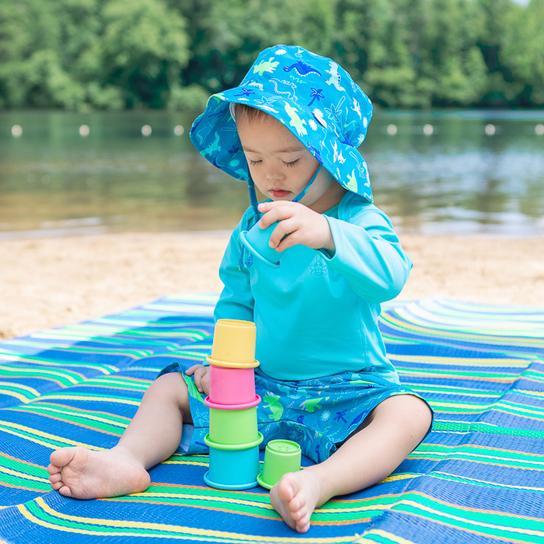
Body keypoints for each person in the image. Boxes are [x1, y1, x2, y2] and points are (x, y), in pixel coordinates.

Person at [47, 44, 434, 534]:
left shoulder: (358, 221)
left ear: (330, 154)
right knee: (170, 387)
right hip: (262, 389)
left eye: (291, 160)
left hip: (347, 392)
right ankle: (127, 459)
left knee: (407, 413)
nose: (271, 175)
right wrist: (226, 370)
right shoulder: (250, 230)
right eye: (254, 159)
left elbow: (391, 278)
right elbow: (236, 304)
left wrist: (328, 235)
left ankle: (322, 481)